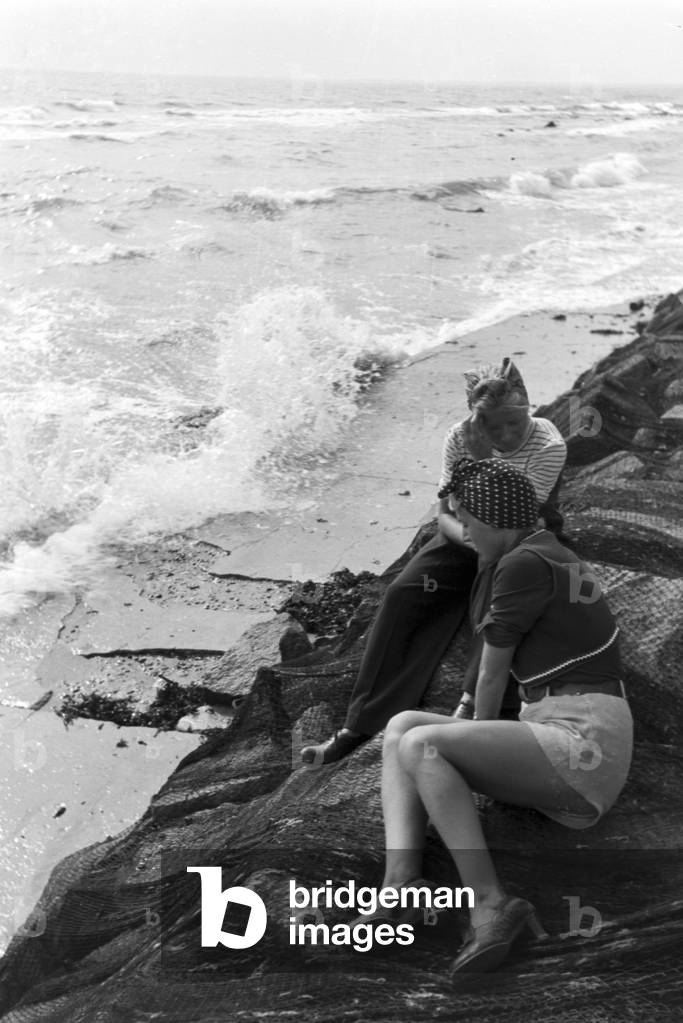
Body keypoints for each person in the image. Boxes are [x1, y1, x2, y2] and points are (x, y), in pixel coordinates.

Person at [372, 458, 633, 974]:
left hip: (584, 740)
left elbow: (492, 676)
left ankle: (490, 904)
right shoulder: (540, 552)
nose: (463, 531)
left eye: (468, 519)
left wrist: (458, 758)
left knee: (423, 745)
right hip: (561, 725)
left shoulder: (522, 564)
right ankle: (399, 884)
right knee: (401, 726)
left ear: (499, 521)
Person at [301, 357, 567, 765]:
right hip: (466, 533)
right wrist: (468, 538)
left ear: (529, 408)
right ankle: (360, 724)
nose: (506, 434)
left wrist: (481, 460)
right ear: (474, 419)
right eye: (492, 425)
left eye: (514, 421)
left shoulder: (549, 446)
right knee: (404, 593)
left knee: (499, 606)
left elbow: (512, 517)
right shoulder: (458, 438)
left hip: (520, 534)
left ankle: (468, 705)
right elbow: (445, 513)